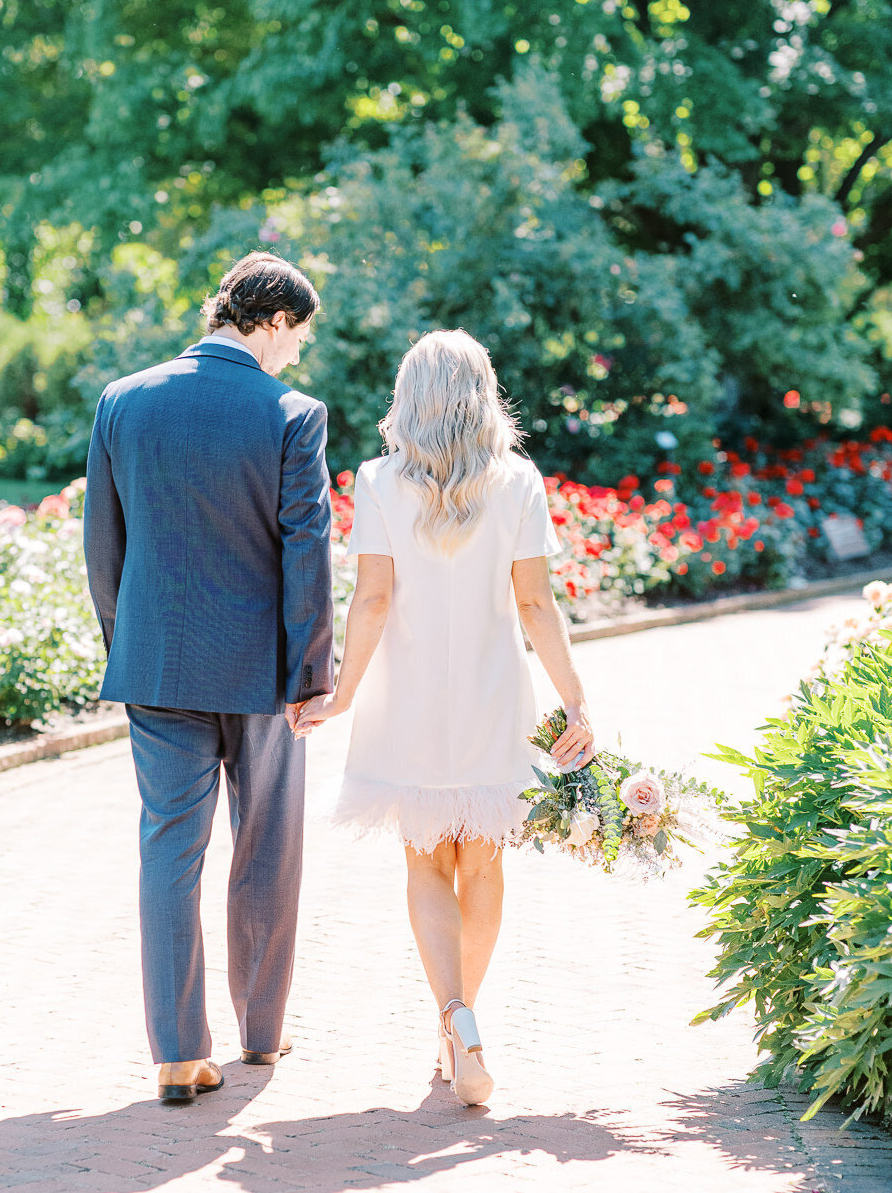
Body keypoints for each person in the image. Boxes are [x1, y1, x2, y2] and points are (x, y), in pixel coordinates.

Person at [295, 330, 593, 1106]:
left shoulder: (380, 480)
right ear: (484, 393)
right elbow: (535, 602)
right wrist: (576, 699)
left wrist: (345, 692)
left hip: (410, 700)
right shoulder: (519, 480)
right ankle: (462, 1024)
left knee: (425, 863)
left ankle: (454, 1017)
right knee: (484, 864)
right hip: (495, 697)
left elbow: (372, 599)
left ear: (409, 396)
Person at [83, 252, 334, 1104]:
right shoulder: (292, 413)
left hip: (155, 665)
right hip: (261, 675)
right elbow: (308, 554)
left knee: (168, 852)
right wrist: (312, 675)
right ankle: (261, 1033)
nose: (297, 355)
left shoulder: (124, 399)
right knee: (267, 848)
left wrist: (130, 644)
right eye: (298, 335)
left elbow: (102, 548)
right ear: (271, 321)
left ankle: (176, 1052)